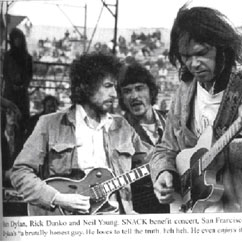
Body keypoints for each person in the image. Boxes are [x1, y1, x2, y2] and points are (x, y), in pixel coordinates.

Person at [150, 6, 242, 212]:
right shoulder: (184, 92)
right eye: (185, 56)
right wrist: (163, 172)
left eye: (201, 53)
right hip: (195, 218)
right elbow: (165, 148)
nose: (193, 64)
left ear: (222, 48)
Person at [10, 52, 152, 215]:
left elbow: (152, 160)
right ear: (86, 86)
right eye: (107, 86)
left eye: (115, 86)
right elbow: (20, 173)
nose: (114, 93)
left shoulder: (122, 126)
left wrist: (173, 157)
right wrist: (57, 198)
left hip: (114, 221)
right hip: (65, 226)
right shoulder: (50, 124)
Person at [117, 62, 169, 213]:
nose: (134, 96)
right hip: (143, 211)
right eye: (127, 91)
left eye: (139, 88)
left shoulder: (172, 121)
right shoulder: (117, 132)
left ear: (151, 91)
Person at [2, 27, 33, 125]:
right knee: (8, 117)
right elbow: (5, 73)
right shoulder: (8, 56)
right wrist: (11, 85)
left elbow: (30, 74)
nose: (18, 41)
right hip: (10, 91)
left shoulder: (27, 57)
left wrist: (23, 85)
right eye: (15, 38)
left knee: (23, 117)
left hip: (22, 92)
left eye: (19, 38)